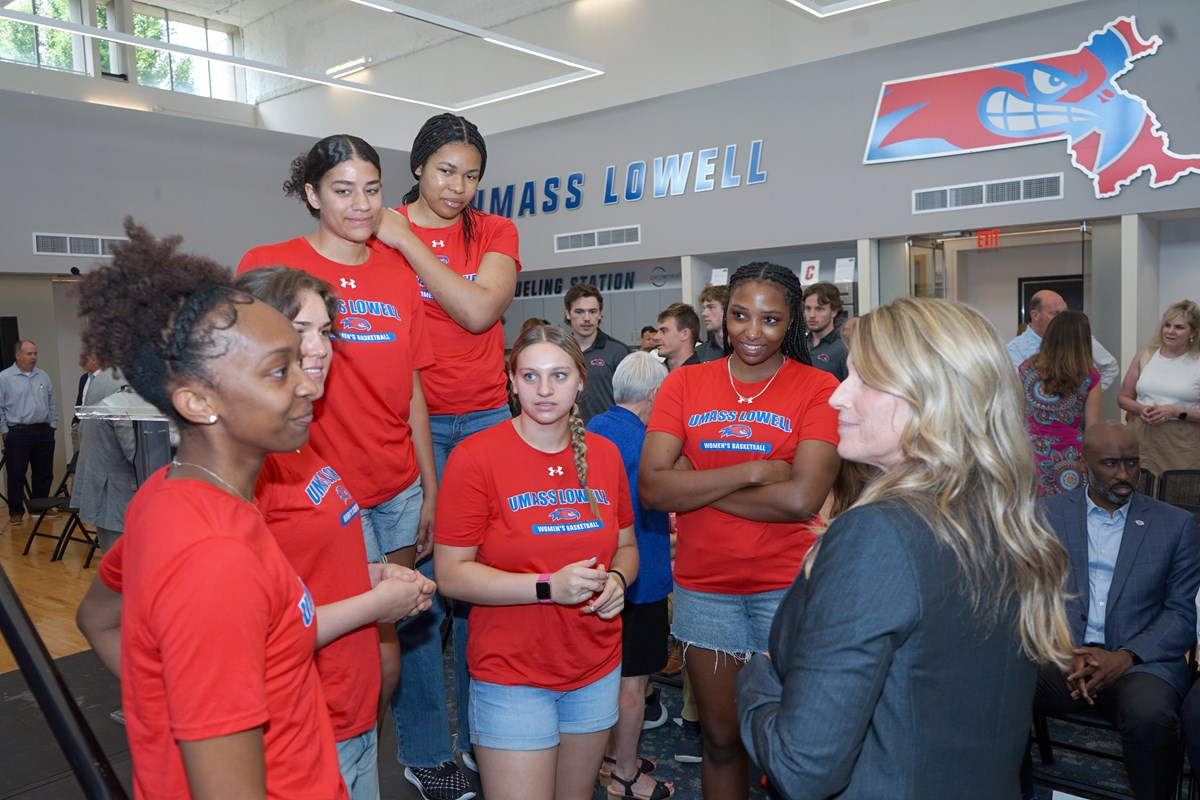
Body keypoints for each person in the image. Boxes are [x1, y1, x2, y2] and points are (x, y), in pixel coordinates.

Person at [71, 220, 430, 800]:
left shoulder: (176, 498)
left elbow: (101, 618)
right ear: (197, 401)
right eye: (278, 371)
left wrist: (170, 704)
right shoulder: (215, 554)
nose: (309, 386)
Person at [738, 297, 1073, 800]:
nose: (837, 397)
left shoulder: (881, 533)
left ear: (931, 397)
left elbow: (803, 767)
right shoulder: (1002, 517)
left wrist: (756, 677)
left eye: (864, 380)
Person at [237, 134, 437, 782]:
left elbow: (410, 388)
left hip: (394, 486)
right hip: (310, 495)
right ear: (311, 194)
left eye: (372, 189)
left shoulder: (397, 272)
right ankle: (309, 766)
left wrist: (429, 487)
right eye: (343, 189)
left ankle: (364, 766)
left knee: (385, 658)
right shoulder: (271, 265)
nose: (360, 203)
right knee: (305, 642)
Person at [640, 261, 841, 800]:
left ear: (793, 321)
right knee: (722, 741)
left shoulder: (819, 387)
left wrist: (698, 483)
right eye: (740, 316)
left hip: (786, 589)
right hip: (706, 590)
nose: (753, 332)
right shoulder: (685, 382)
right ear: (723, 317)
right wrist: (754, 472)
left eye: (771, 319)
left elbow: (803, 499)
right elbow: (655, 490)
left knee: (791, 749)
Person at [373, 113, 521, 796]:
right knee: (422, 598)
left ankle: (492, 737)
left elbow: (478, 312)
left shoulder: (492, 231)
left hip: (490, 415)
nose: (458, 186)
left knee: (487, 589)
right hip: (411, 423)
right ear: (416, 167)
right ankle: (430, 751)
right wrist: (396, 234)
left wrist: (410, 241)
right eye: (444, 170)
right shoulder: (376, 227)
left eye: (471, 175)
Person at [434, 323, 639, 800]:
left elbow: (626, 548)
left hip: (594, 667)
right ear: (510, 381)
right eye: (530, 376)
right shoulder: (475, 457)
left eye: (559, 376)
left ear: (582, 380)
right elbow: (450, 574)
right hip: (512, 675)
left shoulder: (605, 456)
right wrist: (547, 586)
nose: (545, 390)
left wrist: (616, 580)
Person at [1023, 421, 1199, 800]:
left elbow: (1182, 613)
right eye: (1111, 464)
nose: (1124, 475)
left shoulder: (1177, 525)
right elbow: (1031, 594)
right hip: (1063, 657)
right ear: (1082, 463)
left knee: (1150, 716)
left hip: (1140, 663)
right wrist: (1058, 648)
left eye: (1132, 464)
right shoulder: (1046, 515)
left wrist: (1125, 656)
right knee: (1001, 686)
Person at [587, 352, 675, 800]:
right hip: (641, 577)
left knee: (602, 675)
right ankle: (625, 773)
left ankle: (606, 757)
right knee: (632, 684)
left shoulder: (591, 431)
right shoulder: (647, 444)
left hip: (597, 574)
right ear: (655, 395)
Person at [1019, 309, 1101, 495]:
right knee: (1068, 513)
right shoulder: (1090, 376)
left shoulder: (1026, 369)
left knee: (1031, 512)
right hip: (1070, 457)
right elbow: (1092, 428)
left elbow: (1016, 413)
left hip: (1031, 453)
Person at [1117, 299, 1200, 475]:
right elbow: (1123, 398)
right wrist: (1143, 408)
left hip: (1182, 441)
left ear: (1193, 332)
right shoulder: (1145, 355)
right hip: (1141, 434)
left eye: (1179, 327)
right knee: (1139, 488)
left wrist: (1174, 411)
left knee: (1178, 495)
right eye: (1167, 325)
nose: (1170, 331)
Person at [1006, 289, 1119, 389]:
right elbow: (1016, 389)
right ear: (1035, 315)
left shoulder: (1078, 337)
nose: (1062, 319)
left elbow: (1110, 366)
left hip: (1076, 412)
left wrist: (1089, 396)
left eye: (1064, 313)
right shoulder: (1015, 349)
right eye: (1055, 313)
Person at [1, 339, 57, 525]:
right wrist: (4, 431)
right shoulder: (4, 378)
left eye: (35, 354)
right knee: (16, 473)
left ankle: (39, 507)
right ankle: (16, 511)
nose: (33, 357)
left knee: (44, 472)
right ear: (18, 355)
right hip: (17, 432)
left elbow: (52, 403)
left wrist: (53, 425)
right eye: (29, 354)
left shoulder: (43, 376)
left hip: (43, 431)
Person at [565, 283, 630, 422]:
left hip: (606, 434)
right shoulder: (559, 351)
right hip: (565, 435)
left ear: (600, 314)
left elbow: (631, 402)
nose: (587, 318)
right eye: (579, 311)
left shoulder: (618, 352)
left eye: (593, 311)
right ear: (568, 313)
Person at [801, 282, 848, 381]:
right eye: (808, 308)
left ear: (833, 312)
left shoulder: (844, 349)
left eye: (819, 309)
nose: (812, 315)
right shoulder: (799, 344)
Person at [655, 303, 701, 372]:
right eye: (657, 331)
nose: (656, 337)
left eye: (664, 331)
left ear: (685, 334)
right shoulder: (656, 374)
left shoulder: (704, 376)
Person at [695, 284, 728, 363]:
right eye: (704, 308)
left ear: (727, 309)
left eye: (711, 307)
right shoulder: (698, 354)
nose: (704, 313)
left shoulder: (746, 351)